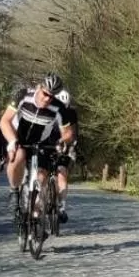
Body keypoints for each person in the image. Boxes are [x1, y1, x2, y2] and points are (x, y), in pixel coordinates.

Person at [0, 75, 69, 218]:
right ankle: (14, 191)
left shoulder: (58, 108)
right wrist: (12, 141)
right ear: (39, 87)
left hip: (42, 143)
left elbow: (66, 133)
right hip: (21, 139)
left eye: (52, 96)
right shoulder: (23, 96)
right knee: (18, 156)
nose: (47, 99)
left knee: (42, 176)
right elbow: (5, 121)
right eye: (45, 94)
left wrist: (61, 142)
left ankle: (35, 217)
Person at [53, 88, 79, 224]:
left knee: (62, 172)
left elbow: (74, 131)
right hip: (49, 146)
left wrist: (72, 144)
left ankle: (62, 207)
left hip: (65, 147)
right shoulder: (49, 111)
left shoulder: (71, 114)